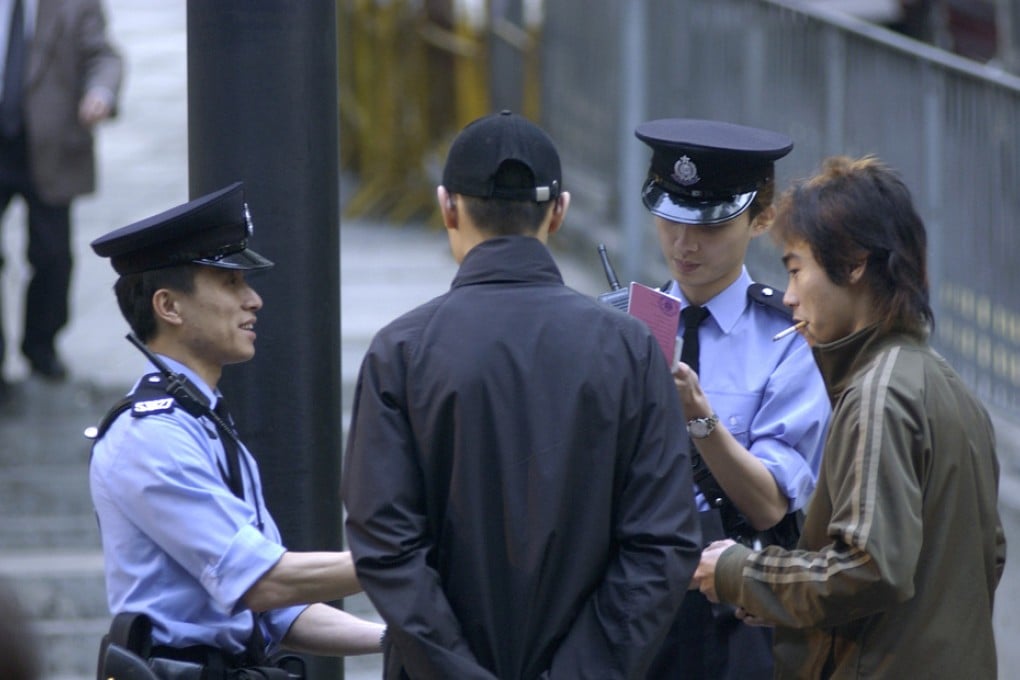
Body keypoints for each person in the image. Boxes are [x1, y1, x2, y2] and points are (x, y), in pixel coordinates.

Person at [341, 110, 702, 679]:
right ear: (559, 211)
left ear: (447, 206)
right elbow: (663, 544)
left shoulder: (401, 352)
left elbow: (386, 547)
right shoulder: (629, 348)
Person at [695, 155, 1007, 678]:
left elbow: (867, 567)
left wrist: (742, 573)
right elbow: (988, 555)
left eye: (796, 269)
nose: (790, 296)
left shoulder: (878, 394)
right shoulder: (946, 386)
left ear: (855, 263)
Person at [88, 182, 385, 677]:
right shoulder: (152, 437)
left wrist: (395, 639)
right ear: (169, 306)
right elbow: (260, 582)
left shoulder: (199, 421)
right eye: (229, 284)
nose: (254, 301)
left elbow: (277, 610)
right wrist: (401, 560)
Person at [634, 118, 831, 680]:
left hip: (729, 605)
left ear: (761, 220)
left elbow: (769, 504)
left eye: (709, 227)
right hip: (633, 594)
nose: (683, 242)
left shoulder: (786, 339)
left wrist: (700, 418)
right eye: (669, 219)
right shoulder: (626, 323)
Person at [0, 0, 123, 396]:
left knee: (51, 255)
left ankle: (41, 346)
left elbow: (103, 55)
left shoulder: (73, 4)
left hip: (50, 148)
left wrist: (100, 92)